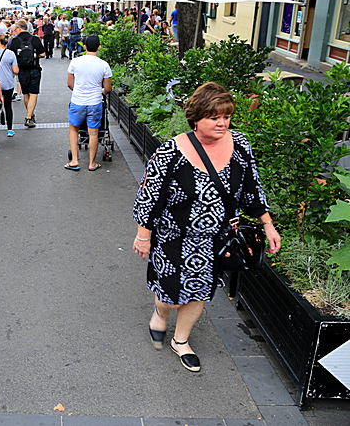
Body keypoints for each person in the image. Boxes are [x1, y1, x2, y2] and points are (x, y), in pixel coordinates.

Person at [133, 82, 281, 373]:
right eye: (215, 117)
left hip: (216, 238)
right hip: (174, 238)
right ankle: (160, 315)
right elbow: (149, 197)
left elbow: (253, 188)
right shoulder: (171, 152)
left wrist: (268, 224)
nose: (223, 123)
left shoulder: (240, 145)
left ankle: (181, 341)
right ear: (196, 118)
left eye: (226, 116)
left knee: (200, 291)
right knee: (170, 295)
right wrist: (143, 236)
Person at [65, 35, 112, 171]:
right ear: (99, 47)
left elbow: (69, 84)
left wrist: (79, 90)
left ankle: (74, 160)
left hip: (77, 101)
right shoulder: (104, 65)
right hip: (95, 102)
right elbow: (108, 89)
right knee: (93, 132)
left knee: (74, 129)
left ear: (84, 47)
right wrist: (101, 90)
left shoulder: (75, 62)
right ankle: (92, 163)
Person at [9, 20, 45, 128]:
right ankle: (29, 117)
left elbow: (12, 56)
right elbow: (43, 54)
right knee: (33, 93)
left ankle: (30, 114)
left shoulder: (15, 41)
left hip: (22, 70)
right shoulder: (35, 39)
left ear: (19, 28)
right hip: (34, 69)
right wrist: (35, 56)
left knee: (26, 94)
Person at [0, 34, 19, 137]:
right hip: (7, 83)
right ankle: (10, 129)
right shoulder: (11, 54)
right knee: (8, 106)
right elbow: (16, 70)